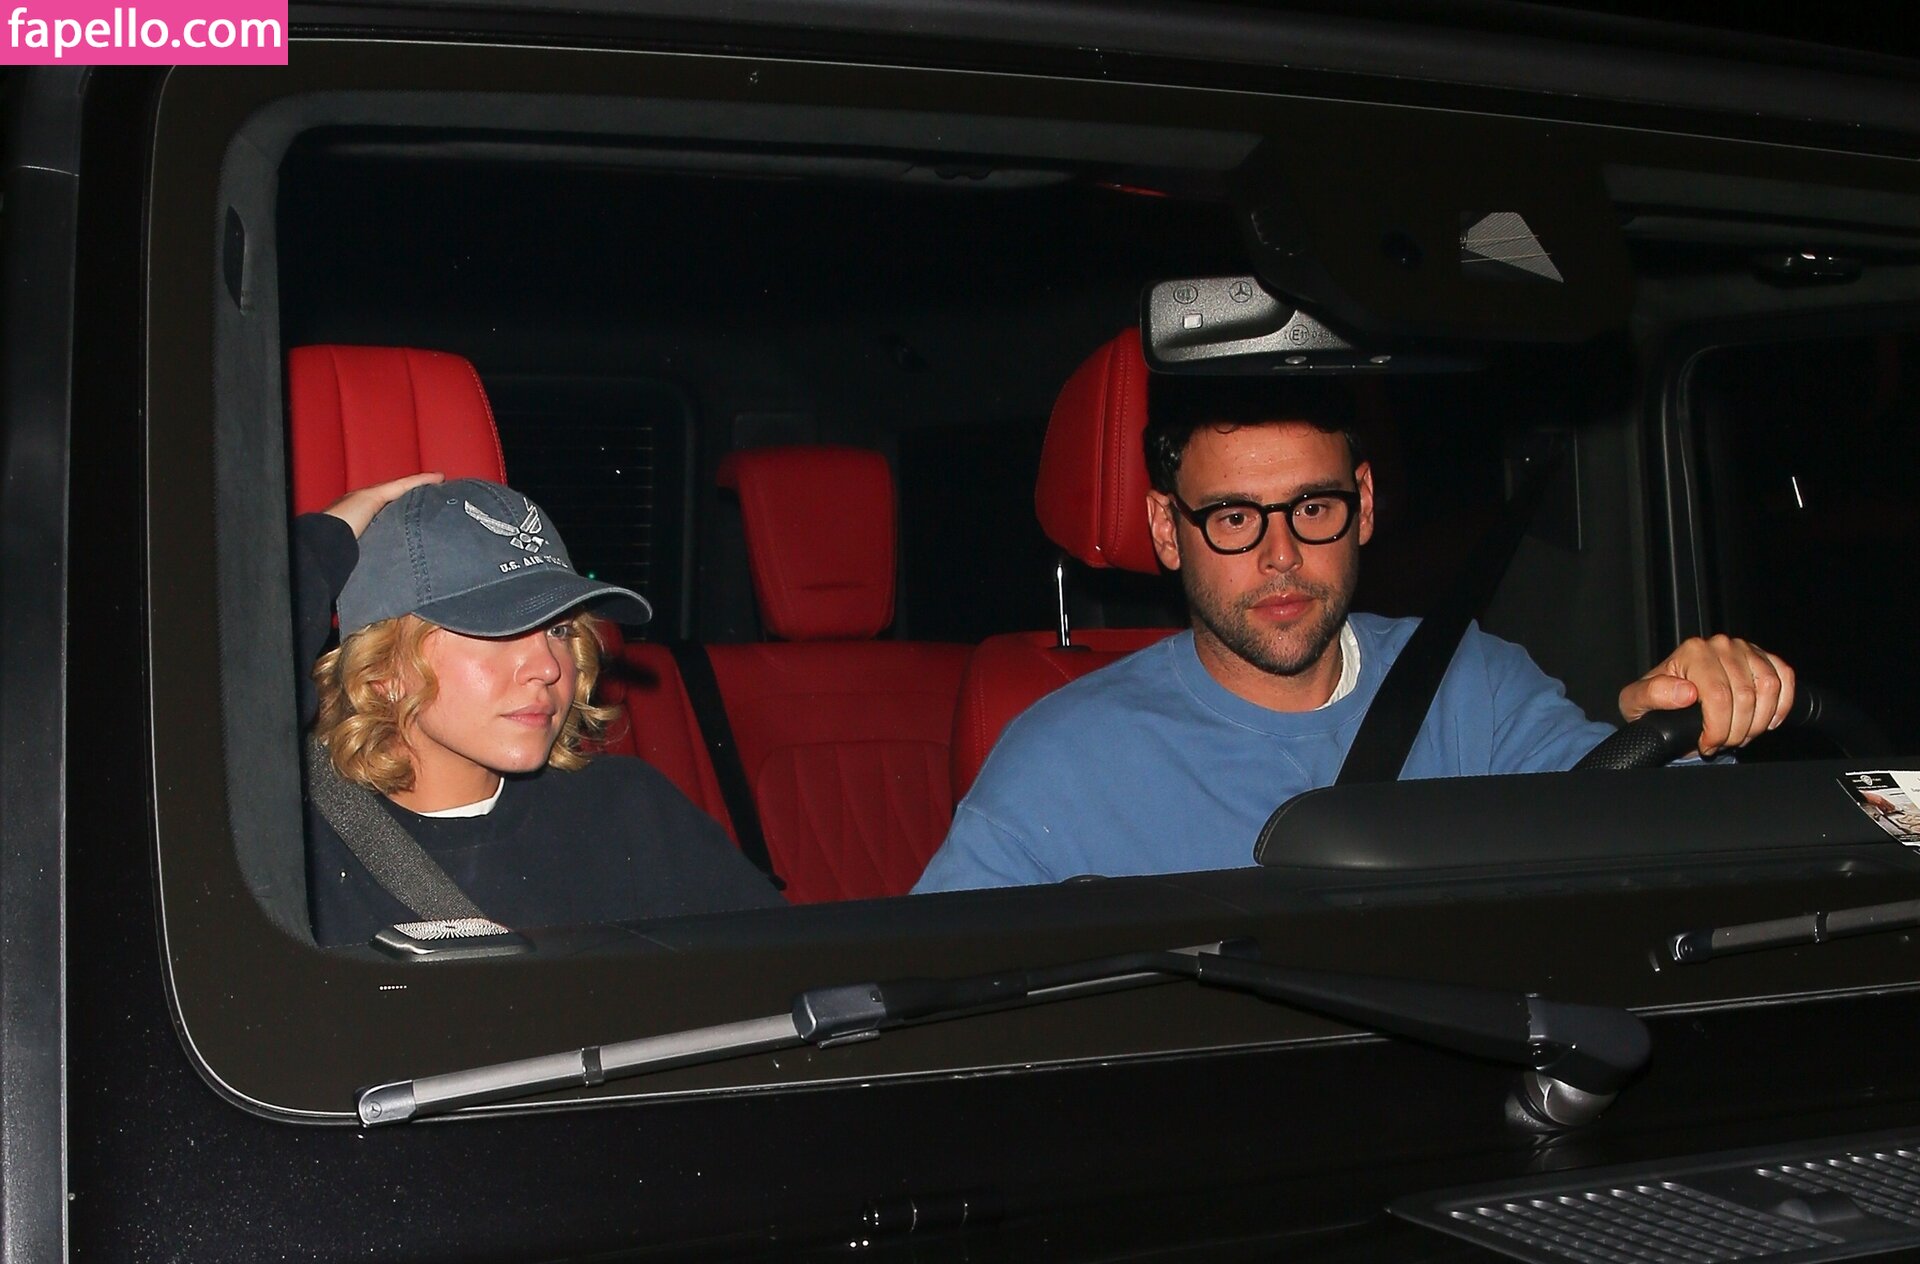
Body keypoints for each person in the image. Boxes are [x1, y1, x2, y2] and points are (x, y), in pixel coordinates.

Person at [914, 377, 1795, 893]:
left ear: (1364, 504)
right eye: (1233, 518)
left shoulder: (1472, 687)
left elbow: (1636, 854)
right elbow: (934, 1010)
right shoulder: (1063, 763)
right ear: (1165, 528)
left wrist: (1691, 723)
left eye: (1314, 506)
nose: (1282, 555)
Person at [297, 473, 785, 945]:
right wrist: (311, 553)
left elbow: (783, 970)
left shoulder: (628, 811)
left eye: (559, 630)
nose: (549, 667)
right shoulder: (301, 844)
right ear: (382, 667)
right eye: (498, 630)